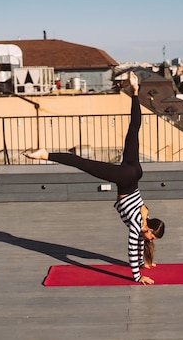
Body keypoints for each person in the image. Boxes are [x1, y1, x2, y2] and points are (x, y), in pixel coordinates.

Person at [25, 72, 165, 285]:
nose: (151, 240)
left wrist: (146, 262)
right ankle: (46, 154)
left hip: (135, 173)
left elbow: (140, 244)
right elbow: (132, 248)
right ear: (149, 230)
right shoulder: (138, 224)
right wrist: (138, 276)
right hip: (126, 179)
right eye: (152, 237)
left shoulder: (145, 216)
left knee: (134, 129)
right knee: (84, 164)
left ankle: (135, 91)